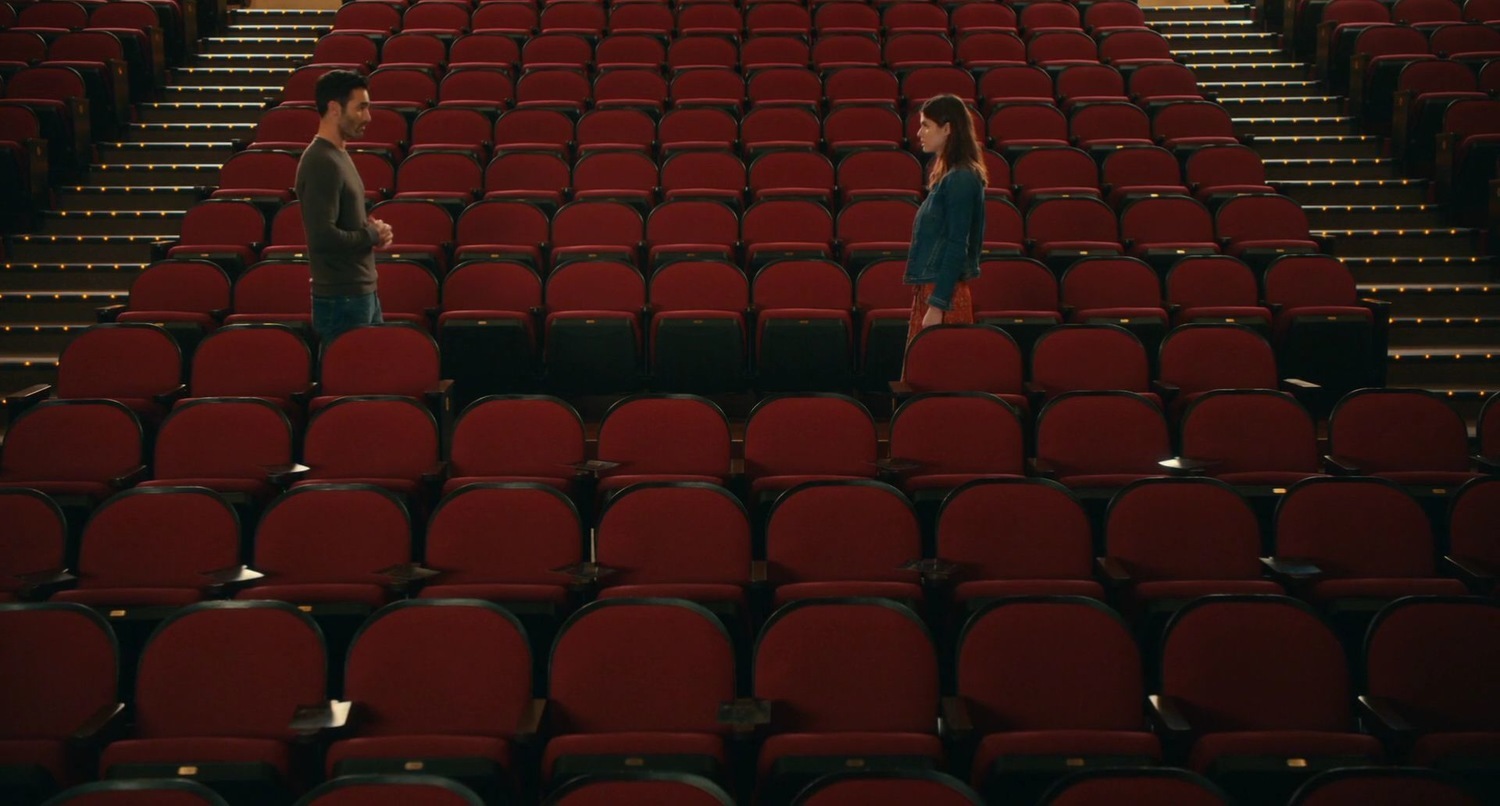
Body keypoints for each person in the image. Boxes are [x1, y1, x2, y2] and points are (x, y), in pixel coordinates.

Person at [295, 69, 393, 344]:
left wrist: (373, 231)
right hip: (343, 299)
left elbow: (341, 224)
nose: (368, 117)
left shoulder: (337, 155)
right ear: (335, 109)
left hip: (358, 293)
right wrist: (370, 235)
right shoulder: (321, 161)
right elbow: (323, 236)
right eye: (360, 107)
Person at [904, 94, 988, 346]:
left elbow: (956, 245)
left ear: (947, 129)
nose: (919, 133)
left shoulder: (961, 178)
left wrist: (937, 305)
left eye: (926, 125)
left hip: (943, 295)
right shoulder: (950, 176)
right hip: (934, 289)